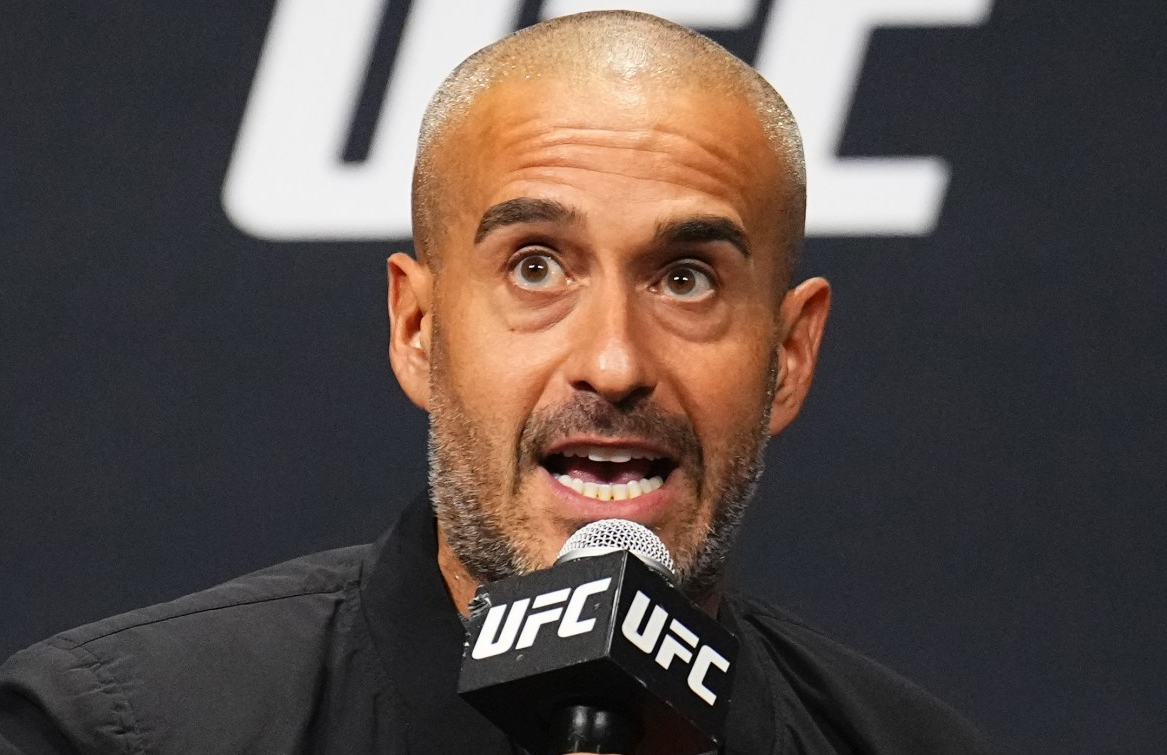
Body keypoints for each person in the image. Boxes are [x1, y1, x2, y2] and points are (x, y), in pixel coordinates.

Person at [0, 11, 995, 755]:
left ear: (789, 355)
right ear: (417, 329)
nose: (614, 362)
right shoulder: (120, 732)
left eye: (686, 279)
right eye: (536, 266)